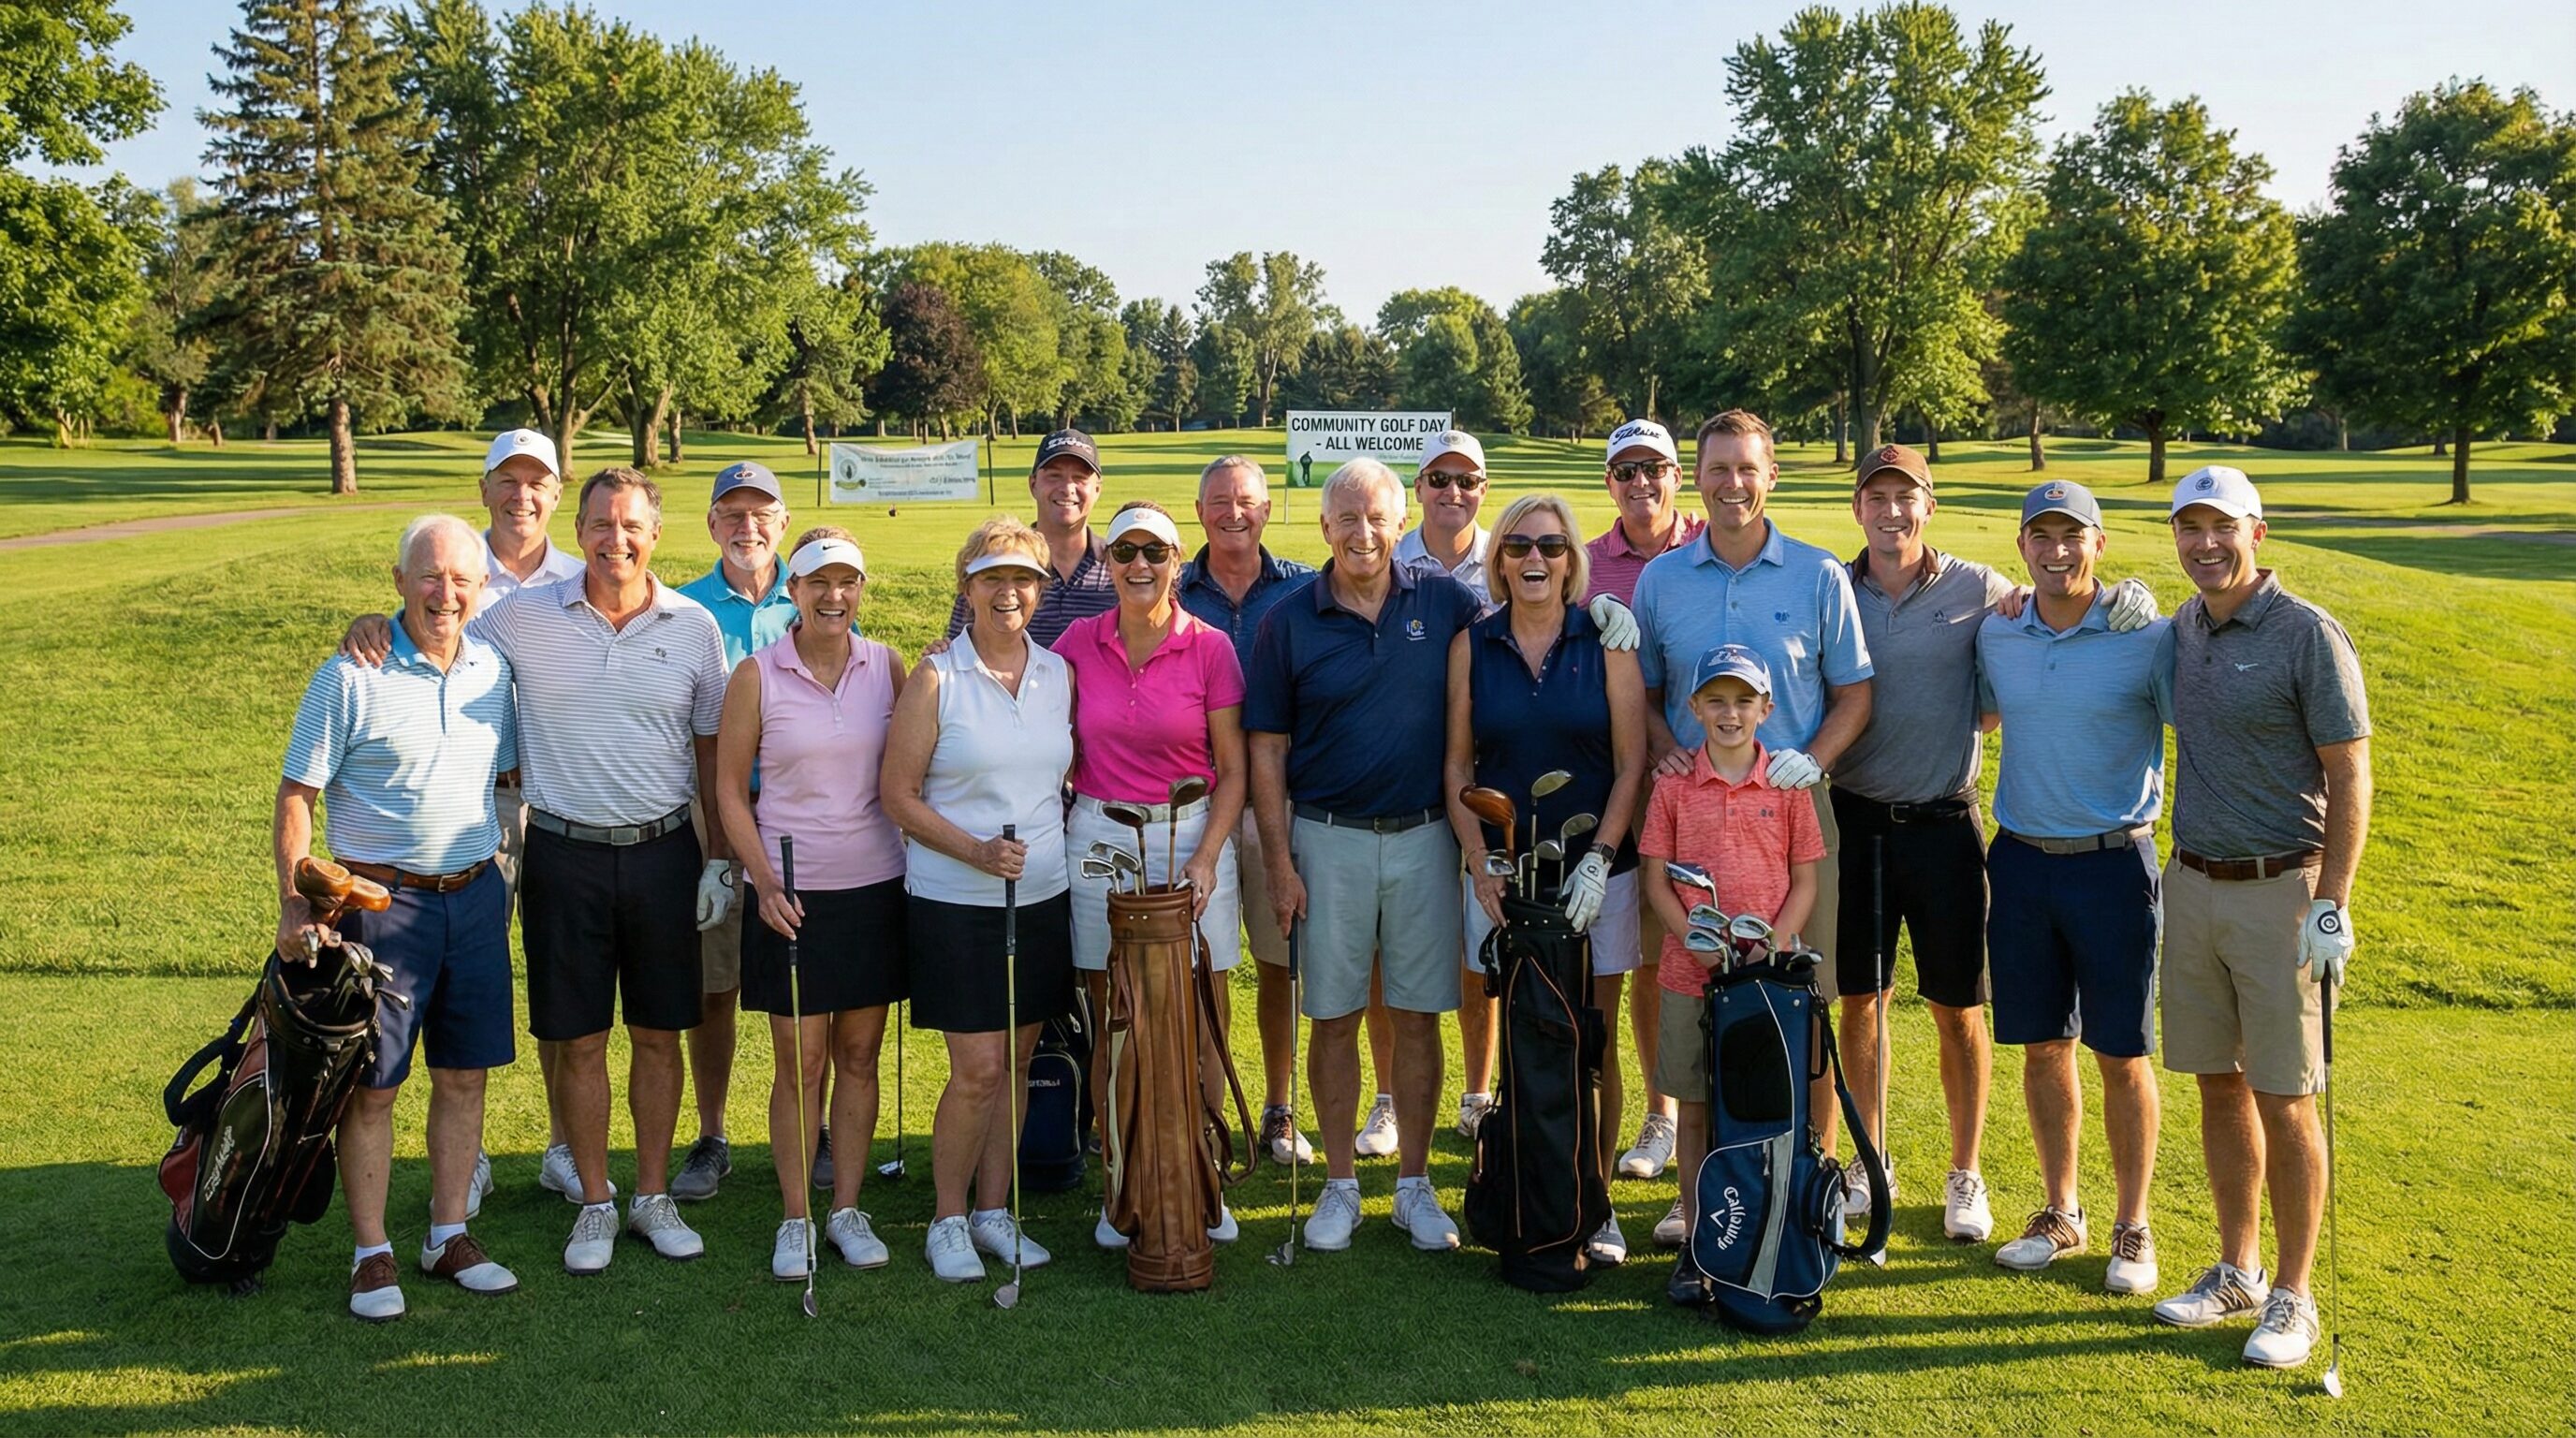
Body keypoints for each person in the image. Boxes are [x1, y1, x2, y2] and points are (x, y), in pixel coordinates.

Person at [1832, 445, 2159, 1242]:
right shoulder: (1830, 585)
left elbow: (2050, 615)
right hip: (1852, 821)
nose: (1892, 510)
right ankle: (1866, 1164)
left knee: (1959, 1009)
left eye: (1906, 496)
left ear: (1928, 507)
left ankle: (1966, 1172)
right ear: (1859, 508)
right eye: (1877, 496)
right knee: (1859, 1005)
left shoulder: (1982, 591)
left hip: (1947, 824)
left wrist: (2129, 597)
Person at [476, 466, 733, 1273]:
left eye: (630, 526)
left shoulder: (693, 627)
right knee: (579, 1039)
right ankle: (595, 1200)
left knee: (660, 1035)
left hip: (663, 853)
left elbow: (712, 751)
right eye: (599, 524)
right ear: (576, 531)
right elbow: (437, 638)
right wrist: (372, 628)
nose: (614, 540)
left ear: (656, 534)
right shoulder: (521, 617)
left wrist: (718, 858)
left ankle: (650, 1195)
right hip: (562, 852)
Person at [1630, 408, 1872, 1249]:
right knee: (1694, 997)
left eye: (1748, 468)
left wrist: (1814, 761)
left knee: (1802, 1001)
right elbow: (1653, 695)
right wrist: (1665, 758)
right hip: (1692, 810)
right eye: (1718, 468)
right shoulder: (1662, 580)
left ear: (1772, 478)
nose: (1733, 483)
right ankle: (1702, 1198)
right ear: (1698, 478)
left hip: (1792, 815)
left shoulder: (1815, 576)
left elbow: (1854, 693)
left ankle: (1813, 1179)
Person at [2149, 466, 2371, 1370]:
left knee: (2286, 1097)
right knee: (2216, 1084)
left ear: (2257, 531)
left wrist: (2332, 906)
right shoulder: (2183, 629)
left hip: (2283, 891)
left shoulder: (2307, 634)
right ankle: (2236, 1268)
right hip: (2193, 883)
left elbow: (2352, 774)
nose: (2206, 544)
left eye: (2222, 527)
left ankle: (2294, 1293)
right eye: (2189, 528)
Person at [278, 515, 521, 1321]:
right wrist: (293, 905)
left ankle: (447, 1234)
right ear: (398, 580)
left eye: (461, 578)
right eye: (429, 575)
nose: (444, 593)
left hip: (477, 895)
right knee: (373, 1087)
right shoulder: (349, 676)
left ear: (482, 588)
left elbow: (508, 777)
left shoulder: (495, 671)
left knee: (464, 1074)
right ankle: (371, 1252)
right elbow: (297, 798)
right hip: (379, 906)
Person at [1248, 458, 1484, 1255]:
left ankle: (1415, 1186)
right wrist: (1279, 863)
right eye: (1346, 518)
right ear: (1322, 527)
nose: (1363, 532)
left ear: (1400, 523)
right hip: (1326, 838)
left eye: (1377, 517)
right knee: (1334, 1016)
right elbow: (1268, 753)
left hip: (1424, 837)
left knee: (1419, 1018)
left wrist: (1603, 621)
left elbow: (1534, 615)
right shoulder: (1289, 620)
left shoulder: (1446, 603)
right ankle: (1341, 1185)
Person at [1975, 479, 2174, 1296]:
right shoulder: (2000, 632)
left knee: (2121, 1052)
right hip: (2020, 861)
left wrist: (2149, 600)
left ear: (2100, 543)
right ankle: (2061, 1212)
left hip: (2114, 864)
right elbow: (1982, 715)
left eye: (2074, 537)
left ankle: (2133, 1227)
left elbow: (2192, 726)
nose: (2057, 552)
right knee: (2042, 1044)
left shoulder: (2147, 635)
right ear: (2021, 546)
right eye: (2042, 537)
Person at [1442, 492, 1647, 1265]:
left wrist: (1601, 854)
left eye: (1552, 547)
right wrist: (1478, 860)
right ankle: (1536, 1192)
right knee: (1528, 1032)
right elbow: (1459, 765)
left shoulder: (1606, 642)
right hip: (1508, 879)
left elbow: (1631, 766)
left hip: (1598, 872)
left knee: (1590, 1037)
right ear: (1498, 560)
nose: (1536, 559)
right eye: (1521, 546)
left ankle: (1595, 1205)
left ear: (1571, 561)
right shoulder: (1474, 643)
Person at [881, 517, 1076, 1283]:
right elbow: (896, 795)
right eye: (992, 577)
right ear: (966, 588)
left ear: (1040, 588)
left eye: (1023, 577)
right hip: (954, 900)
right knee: (979, 1070)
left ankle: (997, 1212)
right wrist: (975, 851)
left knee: (1021, 1059)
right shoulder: (937, 677)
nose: (1009, 591)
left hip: (1041, 895)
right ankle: (948, 1219)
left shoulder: (1058, 674)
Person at [713, 525, 910, 1282]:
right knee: (802, 1060)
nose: (834, 596)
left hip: (871, 888)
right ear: (792, 591)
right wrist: (762, 879)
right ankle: (796, 1218)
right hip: (788, 893)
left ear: (861, 590)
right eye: (817, 583)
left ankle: (847, 1210)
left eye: (847, 583)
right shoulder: (757, 676)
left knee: (858, 1056)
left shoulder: (888, 666)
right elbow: (732, 790)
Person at [1055, 501, 1250, 1250]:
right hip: (1100, 830)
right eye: (1126, 552)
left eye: (1156, 553)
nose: (1140, 566)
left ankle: (1197, 1176)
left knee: (1202, 1007)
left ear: (1178, 562)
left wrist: (1205, 857)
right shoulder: (1077, 642)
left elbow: (1231, 772)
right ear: (1109, 561)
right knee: (1116, 1011)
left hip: (1191, 828)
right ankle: (1126, 1183)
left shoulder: (1210, 649)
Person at [1637, 644, 1824, 1302]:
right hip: (1690, 976)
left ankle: (1764, 1227)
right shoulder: (1673, 786)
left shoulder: (1787, 785)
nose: (1729, 713)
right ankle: (1697, 1238)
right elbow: (1658, 879)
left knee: (1763, 1111)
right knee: (1693, 1107)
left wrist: (1767, 945)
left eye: (1744, 700)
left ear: (1767, 709)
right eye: (1715, 700)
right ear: (1693, 708)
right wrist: (1692, 940)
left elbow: (1804, 880)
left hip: (1765, 984)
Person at [1178, 456, 1319, 1167]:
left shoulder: (1302, 588)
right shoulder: (1173, 588)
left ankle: (1278, 1106)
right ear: (1199, 511)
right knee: (1205, 964)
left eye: (1248, 502)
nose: (1235, 513)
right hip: (1193, 802)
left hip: (1275, 799)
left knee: (1277, 957)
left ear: (1268, 511)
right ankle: (1208, 1104)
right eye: (1220, 502)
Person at [669, 462, 802, 1204]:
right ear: (713, 524)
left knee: (801, 985)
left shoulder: (817, 590)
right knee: (715, 984)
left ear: (782, 523)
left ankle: (810, 1129)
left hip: (802, 818)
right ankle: (713, 1134)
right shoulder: (683, 610)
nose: (747, 527)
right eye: (732, 514)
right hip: (710, 821)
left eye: (761, 514)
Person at [1582, 418, 1704, 1188]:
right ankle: (1645, 1117)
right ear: (1610, 484)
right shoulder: (1586, 565)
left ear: (1677, 476)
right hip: (1628, 793)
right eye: (1626, 471)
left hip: (1721, 796)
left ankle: (1683, 1119)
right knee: (1636, 964)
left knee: (1689, 960)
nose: (1641, 483)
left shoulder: (1714, 547)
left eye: (1654, 468)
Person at [944, 429, 1119, 648]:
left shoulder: (1120, 566)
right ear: (1033, 484)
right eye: (1054, 476)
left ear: (1097, 490)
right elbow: (957, 649)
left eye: (1080, 479)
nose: (1067, 488)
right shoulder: (996, 561)